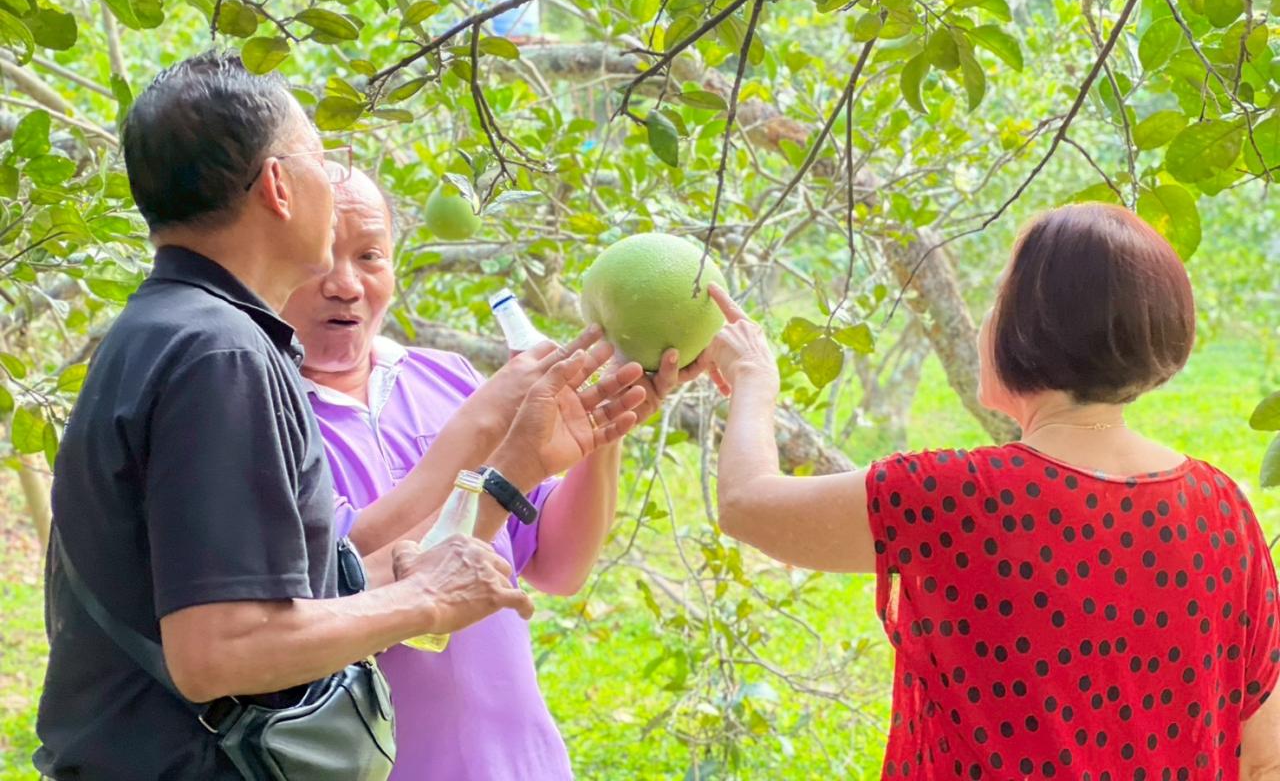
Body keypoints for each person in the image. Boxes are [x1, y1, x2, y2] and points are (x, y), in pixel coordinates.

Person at [34, 54, 644, 780]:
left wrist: (498, 470)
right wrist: (425, 599)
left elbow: (298, 582)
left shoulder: (166, 329)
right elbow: (217, 651)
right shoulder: (220, 354)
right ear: (279, 186)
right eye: (321, 157)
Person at [699, 203, 1280, 778]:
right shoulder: (1223, 508)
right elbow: (1263, 757)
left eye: (998, 300)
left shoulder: (952, 498)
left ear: (1031, 325)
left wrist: (754, 376)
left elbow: (748, 504)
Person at [280, 168, 702, 780]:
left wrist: (605, 421)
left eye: (369, 255)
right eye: (321, 257)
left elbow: (557, 565)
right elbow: (342, 582)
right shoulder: (264, 417)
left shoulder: (445, 377)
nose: (346, 284)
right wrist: (488, 452)